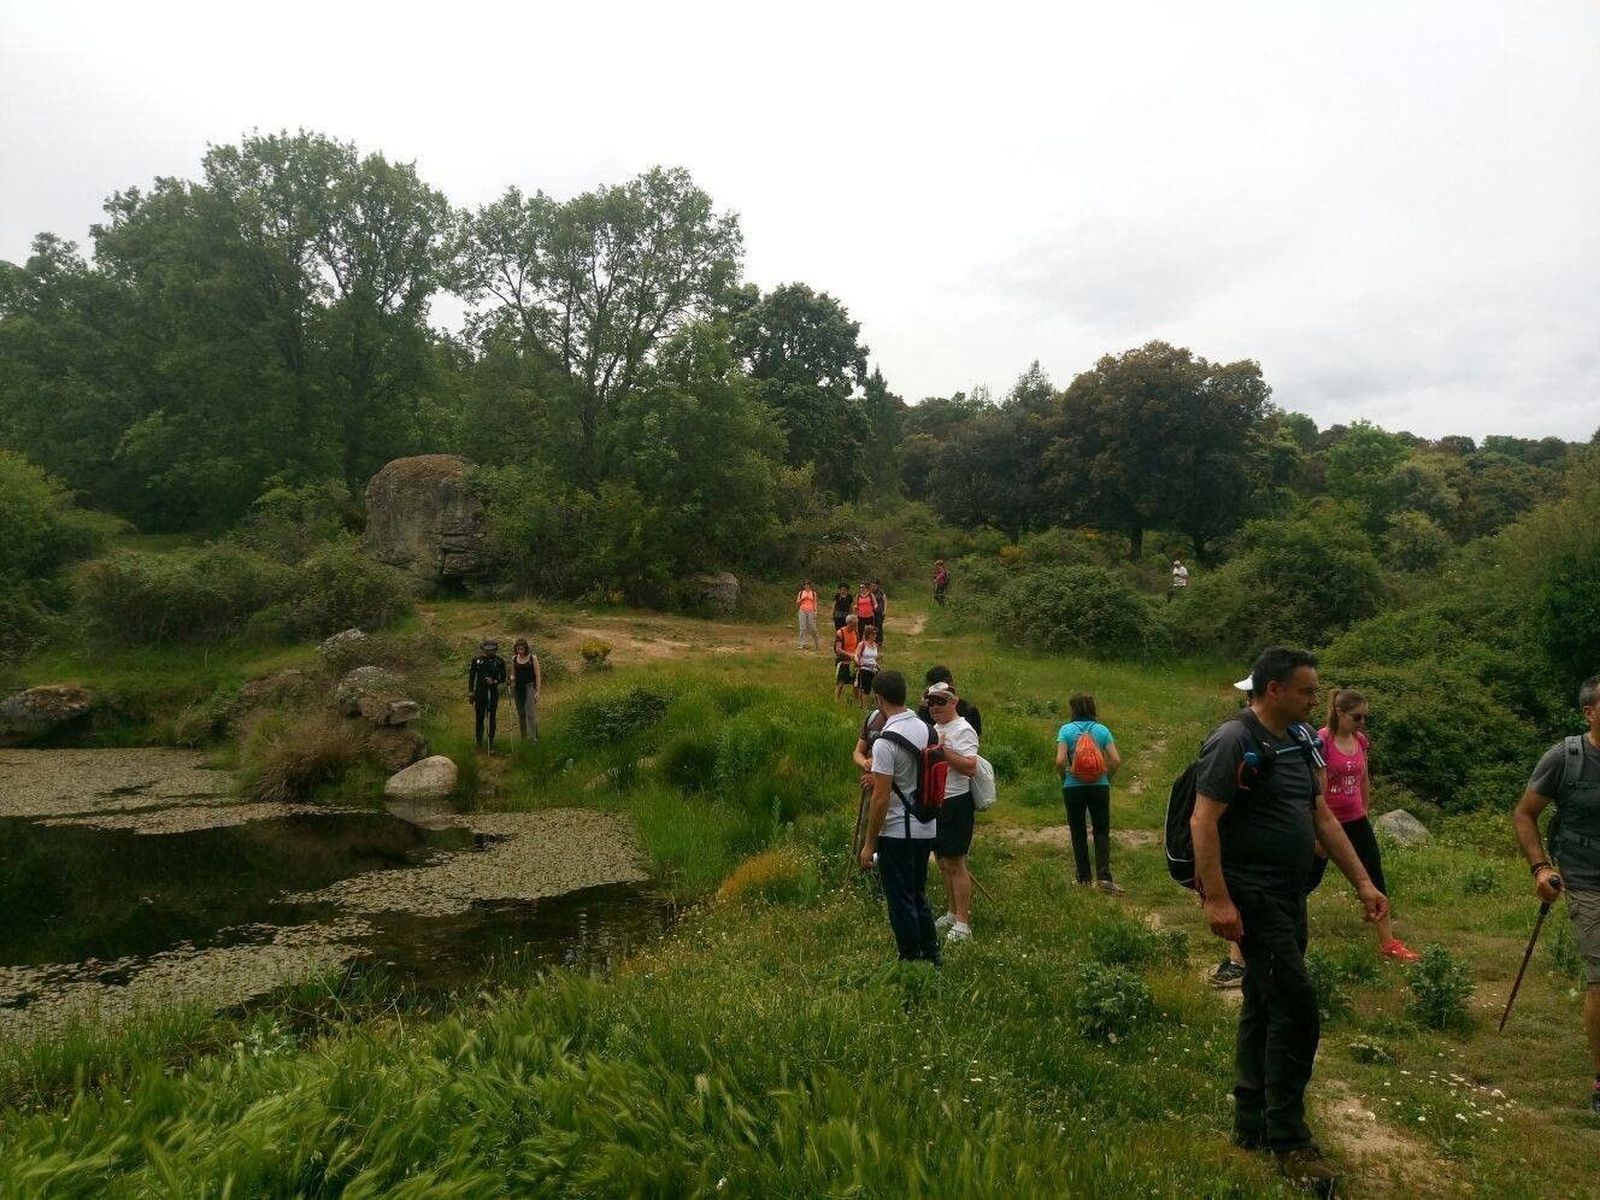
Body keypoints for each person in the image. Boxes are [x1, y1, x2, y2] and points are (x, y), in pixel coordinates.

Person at [1190, 646, 1389, 1193]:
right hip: (1252, 896)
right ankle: (1290, 1140)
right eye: (1306, 690)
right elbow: (1203, 821)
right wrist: (1218, 900)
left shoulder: (1301, 739)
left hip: (1289, 895)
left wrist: (1363, 882)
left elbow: (1321, 816)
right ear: (1274, 689)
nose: (1313, 699)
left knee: (1263, 1000)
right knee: (1297, 1008)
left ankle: (1251, 1121)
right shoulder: (1234, 740)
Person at [1512, 674, 1600, 1118]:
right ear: (1590, 712)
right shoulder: (1565, 758)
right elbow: (1525, 814)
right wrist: (1541, 868)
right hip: (1585, 879)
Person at [1314, 689, 1418, 961]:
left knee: (1374, 877)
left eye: (1365, 717)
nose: (1362, 722)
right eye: (1357, 717)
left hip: (1356, 820)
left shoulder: (1360, 740)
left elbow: (1363, 779)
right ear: (1340, 712)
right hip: (1326, 823)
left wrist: (1364, 810)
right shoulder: (1321, 740)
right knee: (1306, 879)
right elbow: (1315, 785)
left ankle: (1389, 943)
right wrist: (1317, 833)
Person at [857, 670, 940, 964]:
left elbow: (880, 799)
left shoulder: (885, 742)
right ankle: (932, 956)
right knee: (918, 895)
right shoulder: (928, 730)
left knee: (900, 900)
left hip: (897, 830)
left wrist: (869, 845)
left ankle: (910, 961)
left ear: (879, 699)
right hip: (927, 825)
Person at [926, 681, 980, 943]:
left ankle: (963, 923)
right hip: (937, 801)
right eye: (931, 702)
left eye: (941, 701)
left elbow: (970, 767)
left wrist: (943, 750)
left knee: (956, 863)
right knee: (943, 862)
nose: (935, 707)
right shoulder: (936, 729)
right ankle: (951, 912)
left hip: (956, 801)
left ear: (954, 702)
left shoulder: (963, 729)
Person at [1055, 693, 1124, 894]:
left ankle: (1083, 878)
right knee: (1101, 831)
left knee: (1078, 832)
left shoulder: (1066, 730)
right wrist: (1106, 778)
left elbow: (1059, 761)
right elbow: (1116, 760)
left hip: (1073, 787)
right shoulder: (1102, 730)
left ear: (1073, 710)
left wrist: (1064, 778)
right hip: (1099, 786)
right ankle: (1104, 878)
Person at [466, 639, 509, 752]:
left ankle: (491, 743)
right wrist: (471, 692)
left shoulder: (499, 661)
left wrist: (494, 681)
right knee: (479, 718)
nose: (490, 652)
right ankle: (479, 743)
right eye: (487, 650)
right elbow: (472, 676)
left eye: (492, 650)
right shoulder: (477, 660)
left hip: (492, 692)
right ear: (483, 649)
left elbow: (503, 677)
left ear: (495, 649)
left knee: (491, 718)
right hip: (480, 692)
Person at [915, 666, 983, 736]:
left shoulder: (969, 711)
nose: (936, 706)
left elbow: (975, 737)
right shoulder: (928, 709)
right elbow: (921, 733)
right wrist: (923, 709)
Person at [509, 638, 542, 743]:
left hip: (529, 687)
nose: (520, 651)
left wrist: (537, 692)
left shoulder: (532, 658)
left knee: (531, 714)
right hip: (518, 689)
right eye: (518, 649)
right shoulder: (514, 659)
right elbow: (513, 674)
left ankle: (534, 738)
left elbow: (537, 676)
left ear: (525, 648)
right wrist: (510, 679)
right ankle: (524, 738)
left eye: (522, 649)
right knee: (521, 714)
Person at [853, 625, 881, 708]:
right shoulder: (862, 644)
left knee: (877, 689)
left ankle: (877, 706)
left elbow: (875, 658)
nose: (875, 635)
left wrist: (877, 663)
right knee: (866, 689)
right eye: (873, 634)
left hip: (874, 669)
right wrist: (857, 661)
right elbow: (856, 654)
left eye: (875, 633)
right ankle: (864, 707)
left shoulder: (876, 645)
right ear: (868, 634)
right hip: (864, 669)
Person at [833, 615, 859, 702]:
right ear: (849, 623)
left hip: (853, 662)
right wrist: (849, 655)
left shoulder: (856, 633)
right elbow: (838, 649)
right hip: (843, 662)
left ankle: (857, 702)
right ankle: (836, 701)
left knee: (856, 684)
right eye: (854, 624)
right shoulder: (840, 633)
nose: (856, 626)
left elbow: (858, 646)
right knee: (840, 684)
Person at [795, 580, 820, 651]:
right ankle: (802, 644)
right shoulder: (801, 593)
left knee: (812, 627)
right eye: (805, 584)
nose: (806, 586)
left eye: (808, 584)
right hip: (802, 610)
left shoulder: (813, 593)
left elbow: (815, 603)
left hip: (811, 611)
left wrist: (815, 611)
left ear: (810, 585)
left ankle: (816, 643)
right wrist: (802, 599)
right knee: (802, 627)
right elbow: (797, 603)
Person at [871, 580, 887, 645]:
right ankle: (873, 640)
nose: (873, 587)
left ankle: (879, 641)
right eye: (872, 586)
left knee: (879, 626)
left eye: (874, 586)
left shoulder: (881, 592)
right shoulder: (870, 593)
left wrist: (884, 610)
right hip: (872, 612)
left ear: (878, 586)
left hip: (880, 612)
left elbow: (885, 601)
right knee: (873, 626)